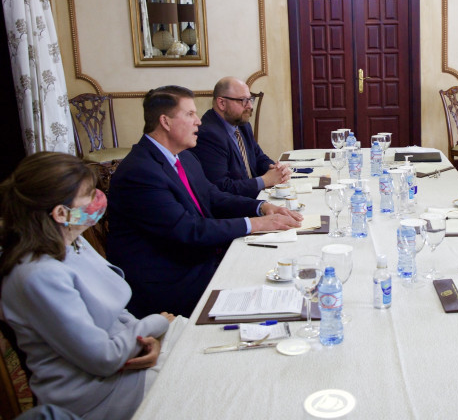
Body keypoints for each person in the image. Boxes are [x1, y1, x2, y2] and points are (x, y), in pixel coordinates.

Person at [0, 152, 173, 420]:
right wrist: (155, 324)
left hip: (124, 358)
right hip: (97, 393)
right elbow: (103, 358)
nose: (98, 199)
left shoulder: (71, 238)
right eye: (90, 195)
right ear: (61, 213)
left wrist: (147, 340)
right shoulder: (38, 275)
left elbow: (114, 309)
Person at [107, 86, 302, 318]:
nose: (198, 121)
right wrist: (256, 224)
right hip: (172, 281)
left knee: (286, 268)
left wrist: (261, 207)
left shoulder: (184, 156)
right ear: (165, 122)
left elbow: (213, 196)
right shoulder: (140, 172)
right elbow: (188, 229)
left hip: (202, 259)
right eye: (190, 114)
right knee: (274, 289)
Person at [191, 77, 291, 197]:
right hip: (235, 204)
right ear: (222, 103)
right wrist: (265, 180)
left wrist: (274, 168)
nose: (250, 106)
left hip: (253, 196)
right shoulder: (208, 135)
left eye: (250, 99)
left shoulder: (242, 125)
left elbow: (258, 156)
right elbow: (222, 187)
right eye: (243, 100)